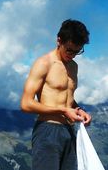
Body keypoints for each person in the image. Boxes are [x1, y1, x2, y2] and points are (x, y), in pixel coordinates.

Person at [20, 19, 92, 170]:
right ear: (59, 40)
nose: (72, 55)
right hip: (47, 131)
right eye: (69, 50)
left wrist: (79, 110)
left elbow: (68, 99)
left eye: (77, 51)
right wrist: (63, 110)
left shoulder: (74, 66)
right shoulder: (44, 63)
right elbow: (26, 103)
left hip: (70, 131)